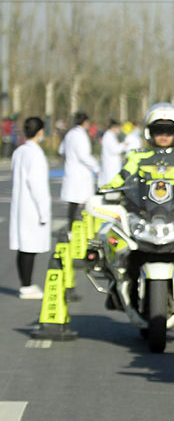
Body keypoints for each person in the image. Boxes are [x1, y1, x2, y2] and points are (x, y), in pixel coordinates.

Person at [103, 103, 174, 197]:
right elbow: (125, 173)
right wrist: (112, 186)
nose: (163, 136)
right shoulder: (138, 155)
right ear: (150, 133)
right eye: (158, 131)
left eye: (169, 131)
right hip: (144, 207)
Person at [9, 117, 51, 299]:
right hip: (32, 206)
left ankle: (26, 283)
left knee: (24, 245)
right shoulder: (35, 154)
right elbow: (37, 185)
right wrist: (43, 212)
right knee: (29, 246)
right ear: (40, 132)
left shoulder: (20, 151)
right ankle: (26, 286)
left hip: (21, 203)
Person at [59, 111, 99, 223]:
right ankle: (83, 227)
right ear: (85, 122)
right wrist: (96, 167)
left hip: (71, 171)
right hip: (81, 173)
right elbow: (83, 155)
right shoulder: (81, 135)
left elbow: (61, 150)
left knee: (73, 204)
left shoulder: (70, 134)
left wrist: (70, 157)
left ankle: (70, 228)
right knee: (85, 202)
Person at [98, 118, 125, 187]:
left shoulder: (111, 135)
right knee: (110, 182)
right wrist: (123, 145)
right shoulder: (109, 136)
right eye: (118, 128)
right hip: (111, 166)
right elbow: (114, 150)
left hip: (112, 165)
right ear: (114, 127)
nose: (119, 130)